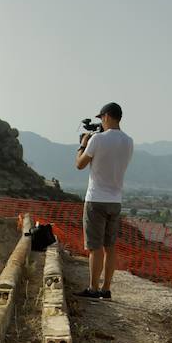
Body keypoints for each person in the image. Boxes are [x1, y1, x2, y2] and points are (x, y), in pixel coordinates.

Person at [75, 102, 134, 300]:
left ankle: (93, 288)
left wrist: (83, 143)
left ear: (107, 116)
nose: (100, 121)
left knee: (95, 247)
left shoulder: (97, 140)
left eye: (101, 118)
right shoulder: (129, 141)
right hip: (115, 200)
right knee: (110, 247)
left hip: (96, 199)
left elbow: (80, 165)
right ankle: (106, 289)